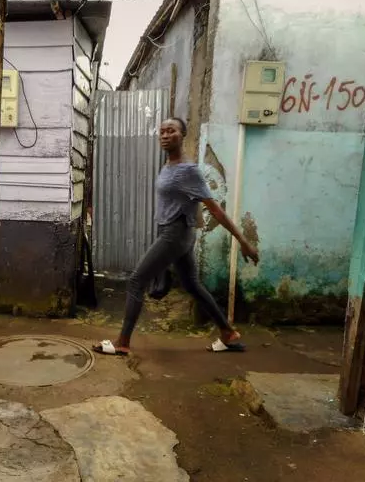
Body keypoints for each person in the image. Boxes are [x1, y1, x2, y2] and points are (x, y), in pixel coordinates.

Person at [93, 117, 259, 356]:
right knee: (192, 285)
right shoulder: (168, 165)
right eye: (161, 131)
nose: (165, 135)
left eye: (171, 131)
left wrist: (243, 241)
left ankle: (122, 343)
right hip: (173, 233)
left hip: (176, 233)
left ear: (182, 135)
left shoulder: (188, 170)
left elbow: (214, 208)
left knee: (136, 281)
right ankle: (228, 333)